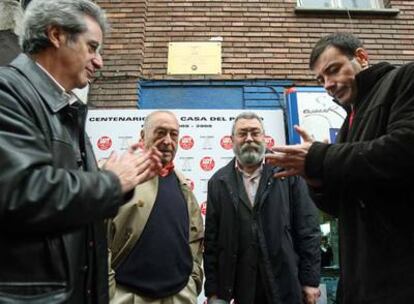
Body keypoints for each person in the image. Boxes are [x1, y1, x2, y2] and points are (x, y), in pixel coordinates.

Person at [0, 0, 161, 303]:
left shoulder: (67, 109)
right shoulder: (7, 94)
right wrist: (112, 182)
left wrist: (122, 179)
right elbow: (23, 193)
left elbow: (71, 204)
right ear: (56, 35)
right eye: (92, 47)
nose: (99, 61)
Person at [267, 32, 414, 304]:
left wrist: (320, 158)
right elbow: (340, 206)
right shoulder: (349, 122)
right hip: (362, 280)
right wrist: (315, 177)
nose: (328, 85)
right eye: (320, 80)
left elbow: (403, 149)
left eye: (333, 70)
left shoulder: (405, 78)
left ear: (361, 57)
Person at [203, 112, 321, 304]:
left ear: (264, 138)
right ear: (232, 140)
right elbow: (212, 242)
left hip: (285, 283)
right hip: (240, 289)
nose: (249, 138)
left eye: (255, 133)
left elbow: (308, 230)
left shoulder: (288, 172)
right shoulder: (218, 182)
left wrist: (310, 281)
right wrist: (213, 290)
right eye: (242, 133)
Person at [108, 110, 204, 304]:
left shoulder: (183, 185)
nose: (168, 140)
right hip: (127, 296)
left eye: (173, 134)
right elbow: (98, 238)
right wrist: (108, 291)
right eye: (160, 132)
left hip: (179, 296)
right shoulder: (119, 179)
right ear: (143, 136)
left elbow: (195, 239)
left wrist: (193, 280)